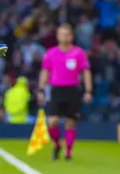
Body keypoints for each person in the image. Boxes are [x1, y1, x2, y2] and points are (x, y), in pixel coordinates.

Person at [38, 24, 92, 161]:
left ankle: (69, 151)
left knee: (70, 122)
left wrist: (88, 91)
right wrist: (41, 89)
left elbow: (86, 72)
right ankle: (57, 144)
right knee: (52, 121)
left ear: (71, 36)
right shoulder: (51, 53)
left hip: (72, 89)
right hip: (56, 89)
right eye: (61, 34)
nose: (63, 37)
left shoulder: (78, 53)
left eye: (66, 34)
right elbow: (45, 71)